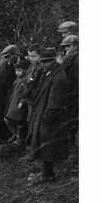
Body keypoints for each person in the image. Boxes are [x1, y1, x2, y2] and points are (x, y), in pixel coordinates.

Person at [24, 48, 70, 183]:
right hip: (43, 113)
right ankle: (46, 172)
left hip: (50, 117)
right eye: (42, 62)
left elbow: (55, 100)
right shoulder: (48, 73)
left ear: (53, 61)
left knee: (48, 146)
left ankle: (48, 174)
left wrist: (47, 117)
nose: (43, 64)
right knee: (45, 146)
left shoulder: (59, 76)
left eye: (46, 62)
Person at [4, 59, 31, 146]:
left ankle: (20, 138)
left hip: (20, 105)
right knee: (7, 120)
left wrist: (23, 102)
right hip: (14, 103)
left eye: (19, 70)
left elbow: (28, 93)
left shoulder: (26, 80)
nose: (17, 72)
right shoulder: (17, 80)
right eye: (16, 70)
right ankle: (15, 134)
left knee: (20, 123)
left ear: (25, 70)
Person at [60, 34, 79, 147]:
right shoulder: (70, 58)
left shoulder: (75, 58)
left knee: (73, 119)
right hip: (70, 93)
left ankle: (73, 146)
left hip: (74, 94)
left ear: (76, 46)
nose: (66, 49)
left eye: (69, 46)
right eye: (65, 47)